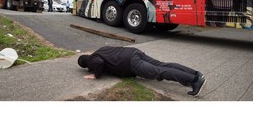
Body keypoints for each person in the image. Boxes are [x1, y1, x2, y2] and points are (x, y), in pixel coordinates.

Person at [78, 46, 206, 97]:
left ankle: (195, 81)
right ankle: (195, 73)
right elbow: (106, 60)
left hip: (131, 62)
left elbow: (98, 64)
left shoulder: (91, 60)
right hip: (134, 52)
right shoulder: (100, 50)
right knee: (163, 65)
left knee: (159, 72)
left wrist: (95, 75)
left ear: (85, 64)